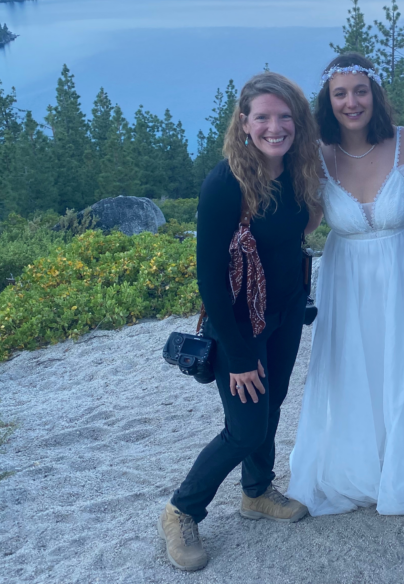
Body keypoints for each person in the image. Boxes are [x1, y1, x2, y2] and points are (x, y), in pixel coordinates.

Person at [287, 53, 404, 516]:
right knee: (356, 364)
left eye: (360, 91)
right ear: (328, 101)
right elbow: (304, 224)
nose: (352, 102)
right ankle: (362, 464)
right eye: (340, 93)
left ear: (376, 95)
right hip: (347, 278)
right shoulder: (317, 156)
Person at [159, 72, 324, 572]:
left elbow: (301, 229)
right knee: (246, 427)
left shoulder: (296, 170)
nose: (275, 127)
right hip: (240, 325)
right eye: (263, 118)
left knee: (270, 409)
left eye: (284, 117)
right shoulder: (226, 183)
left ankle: (256, 492)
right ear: (244, 123)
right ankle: (181, 510)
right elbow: (209, 278)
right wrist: (239, 355)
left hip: (288, 311)